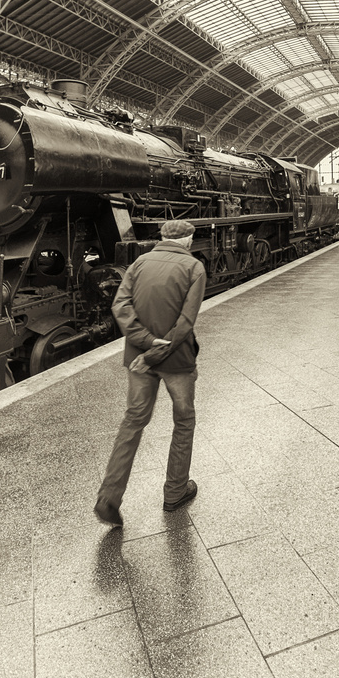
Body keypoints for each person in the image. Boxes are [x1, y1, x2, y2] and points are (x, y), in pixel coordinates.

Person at [94, 219, 206, 526]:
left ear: (162, 238)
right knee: (183, 420)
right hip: (177, 361)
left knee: (133, 421)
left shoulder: (139, 263)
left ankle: (108, 498)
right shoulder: (194, 268)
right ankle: (175, 492)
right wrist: (157, 350)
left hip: (138, 358)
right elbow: (185, 323)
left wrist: (144, 345)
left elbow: (120, 306)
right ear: (188, 240)